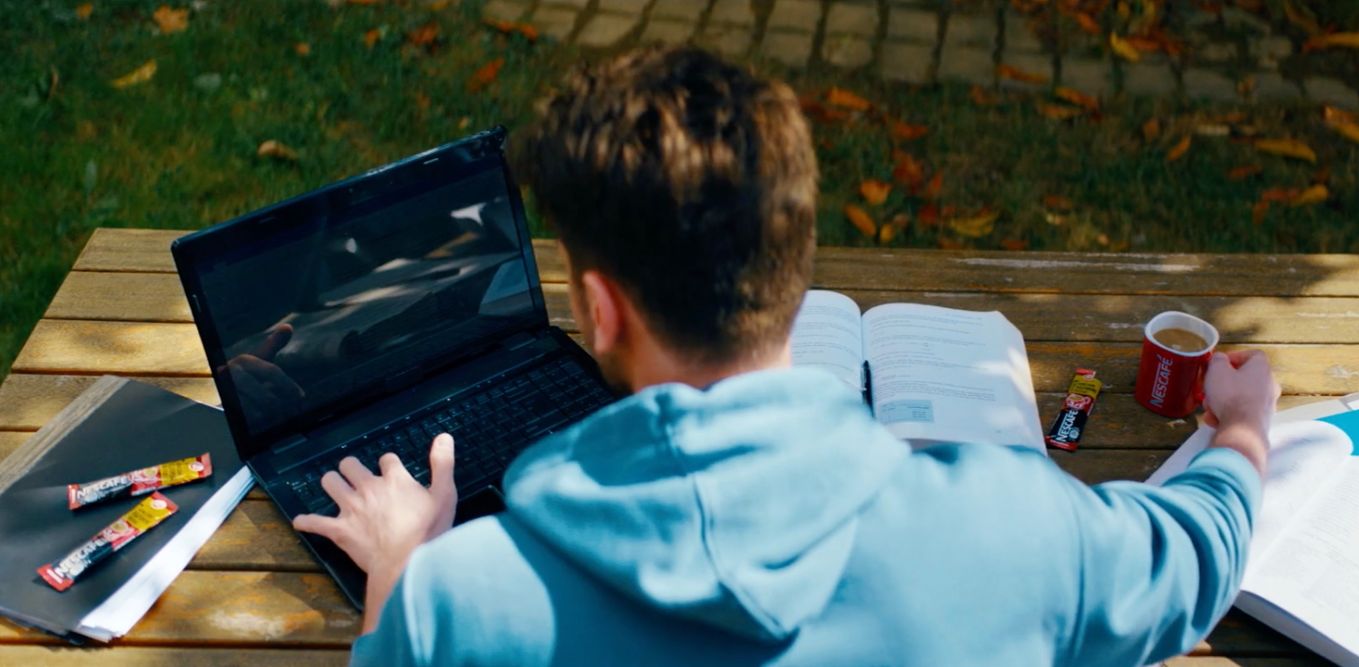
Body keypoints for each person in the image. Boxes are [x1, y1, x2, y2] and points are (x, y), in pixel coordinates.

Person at [292, 46, 1280, 666]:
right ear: (794, 274)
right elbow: (1194, 560)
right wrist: (1240, 434)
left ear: (599, 309)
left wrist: (399, 571)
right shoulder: (1019, 527)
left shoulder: (461, 606)